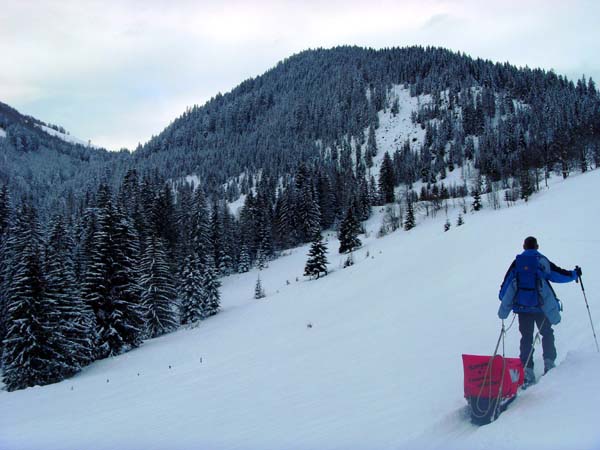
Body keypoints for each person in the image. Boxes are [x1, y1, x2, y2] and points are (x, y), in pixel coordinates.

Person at [498, 236, 581, 385]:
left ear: (524, 246)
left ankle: (527, 372)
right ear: (537, 246)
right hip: (540, 307)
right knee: (547, 333)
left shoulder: (517, 262)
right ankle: (549, 364)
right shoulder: (541, 261)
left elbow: (506, 285)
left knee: (526, 338)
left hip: (523, 309)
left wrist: (503, 298)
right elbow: (558, 275)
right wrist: (575, 274)